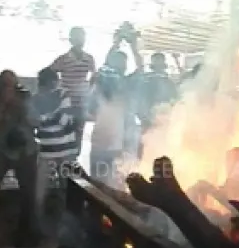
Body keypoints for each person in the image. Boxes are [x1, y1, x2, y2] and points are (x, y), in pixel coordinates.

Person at [0, 70, 41, 247]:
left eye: (12, 85)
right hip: (0, 149)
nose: (9, 89)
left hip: (24, 150)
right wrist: (1, 107)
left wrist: (21, 107)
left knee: (28, 192)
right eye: (5, 85)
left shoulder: (25, 97)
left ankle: (26, 232)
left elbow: (36, 121)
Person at [88, 28, 143, 186]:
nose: (122, 65)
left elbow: (140, 69)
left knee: (112, 183)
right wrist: (126, 45)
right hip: (105, 144)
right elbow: (139, 68)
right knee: (102, 183)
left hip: (114, 145)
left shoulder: (123, 83)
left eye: (123, 63)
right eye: (120, 62)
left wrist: (127, 45)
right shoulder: (105, 80)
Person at [31, 67, 78, 230]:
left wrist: (43, 119)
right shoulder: (39, 98)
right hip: (53, 152)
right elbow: (37, 121)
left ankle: (63, 225)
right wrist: (50, 118)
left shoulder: (62, 95)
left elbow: (62, 120)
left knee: (65, 188)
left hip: (60, 152)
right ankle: (41, 226)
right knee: (43, 191)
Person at [50, 27, 96, 155]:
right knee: (65, 131)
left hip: (82, 103)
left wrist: (89, 91)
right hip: (66, 103)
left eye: (82, 37)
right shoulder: (63, 59)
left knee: (79, 133)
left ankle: (74, 161)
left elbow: (94, 76)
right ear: (71, 40)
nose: (81, 40)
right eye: (77, 37)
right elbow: (49, 72)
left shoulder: (89, 58)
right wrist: (60, 91)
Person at [139, 52, 178, 130]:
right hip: (148, 114)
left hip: (164, 114)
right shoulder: (146, 78)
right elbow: (141, 96)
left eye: (160, 61)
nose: (158, 65)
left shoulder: (168, 81)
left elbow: (174, 98)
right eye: (156, 61)